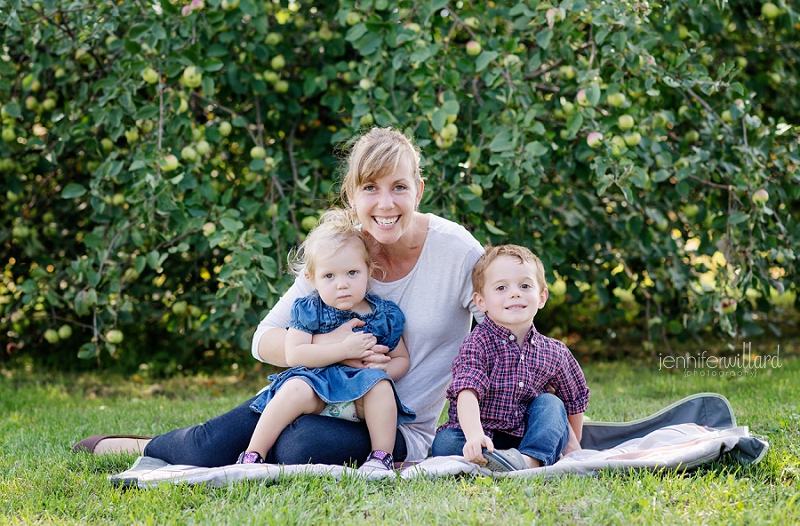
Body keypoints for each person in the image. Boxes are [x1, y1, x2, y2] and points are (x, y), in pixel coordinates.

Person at [73, 126, 487, 467]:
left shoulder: (457, 252)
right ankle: (141, 446)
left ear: (419, 190)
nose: (385, 203)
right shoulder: (341, 253)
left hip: (393, 423)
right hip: (312, 392)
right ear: (351, 195)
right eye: (370, 188)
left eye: (399, 187)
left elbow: (507, 334)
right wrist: (337, 349)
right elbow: (264, 340)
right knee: (206, 445)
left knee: (299, 447)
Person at [236, 208, 415, 474]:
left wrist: (385, 369)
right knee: (293, 389)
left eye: (352, 273)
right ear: (312, 279)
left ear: (369, 270)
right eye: (329, 276)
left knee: (381, 389)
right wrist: (342, 349)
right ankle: (253, 455)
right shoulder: (310, 309)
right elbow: (295, 354)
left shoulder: (383, 315)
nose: (342, 284)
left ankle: (381, 457)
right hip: (317, 385)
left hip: (360, 394)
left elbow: (402, 358)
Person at [431, 245, 589, 471]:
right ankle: (493, 458)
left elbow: (574, 400)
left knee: (551, 403)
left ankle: (530, 460)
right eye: (501, 287)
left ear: (542, 297)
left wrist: (571, 444)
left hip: (525, 437)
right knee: (445, 443)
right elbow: (467, 391)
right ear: (481, 301)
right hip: (480, 434)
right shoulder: (478, 343)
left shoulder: (555, 352)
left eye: (525, 286)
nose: (515, 293)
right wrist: (475, 436)